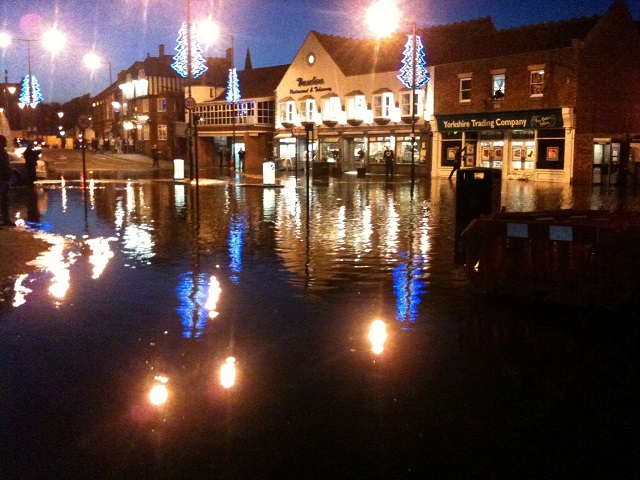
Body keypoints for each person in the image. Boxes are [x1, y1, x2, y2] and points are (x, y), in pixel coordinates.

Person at [0, 135, 15, 226]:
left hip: (5, 178)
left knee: (5, 200)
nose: (6, 143)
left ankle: (6, 220)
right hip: (1, 179)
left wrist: (9, 171)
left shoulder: (3, 152)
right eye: (4, 141)